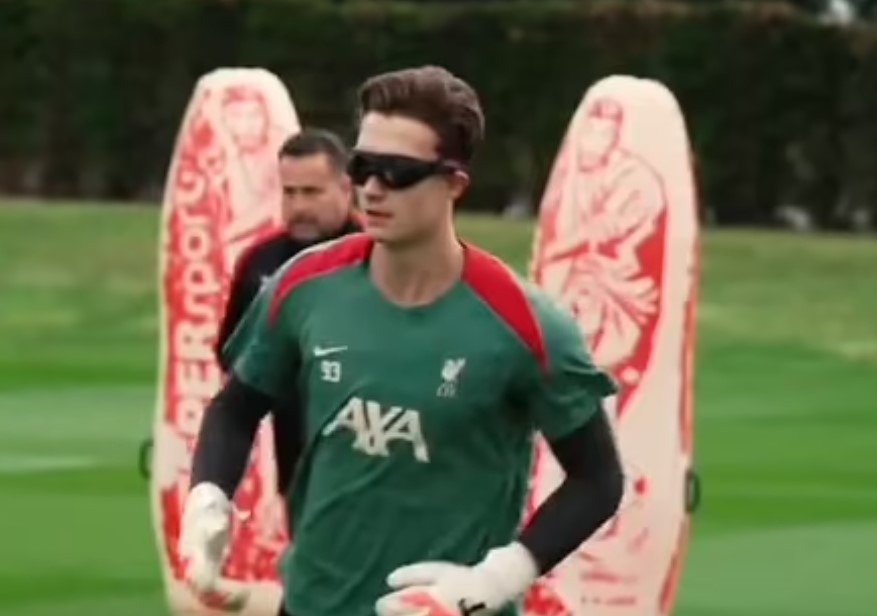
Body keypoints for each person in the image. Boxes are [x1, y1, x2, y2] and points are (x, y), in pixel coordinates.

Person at [181, 66, 624, 616]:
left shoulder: (525, 324)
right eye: (363, 167)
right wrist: (207, 499)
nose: (372, 188)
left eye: (398, 172)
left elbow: (598, 481)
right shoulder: (303, 285)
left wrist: (495, 579)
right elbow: (234, 407)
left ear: (454, 184)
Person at [215, 127, 361, 497]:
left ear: (346, 189)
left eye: (312, 192)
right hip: (295, 463)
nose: (298, 207)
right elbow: (233, 355)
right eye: (289, 192)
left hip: (371, 459)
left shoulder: (382, 257)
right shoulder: (260, 264)